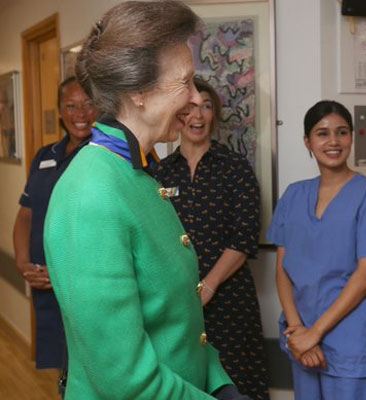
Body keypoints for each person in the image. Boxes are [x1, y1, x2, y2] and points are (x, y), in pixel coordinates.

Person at [43, 2, 249, 399]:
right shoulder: (91, 192)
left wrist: (219, 383)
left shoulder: (137, 171)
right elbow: (125, 381)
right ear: (138, 92)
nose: (194, 99)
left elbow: (175, 323)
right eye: (185, 82)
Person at [267, 100, 366, 399]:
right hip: (302, 341)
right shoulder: (294, 195)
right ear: (308, 142)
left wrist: (316, 333)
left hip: (353, 340)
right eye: (322, 133)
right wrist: (299, 330)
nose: (333, 141)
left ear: (352, 137)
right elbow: (282, 271)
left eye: (341, 132)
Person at [153, 77, 270, 400]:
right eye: (190, 108)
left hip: (229, 300)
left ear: (215, 115)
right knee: (184, 385)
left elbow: (244, 238)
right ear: (178, 115)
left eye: (206, 107)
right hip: (176, 303)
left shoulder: (234, 168)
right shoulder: (161, 174)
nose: (198, 116)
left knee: (237, 385)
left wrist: (209, 286)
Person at [12, 77, 96, 376]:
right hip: (45, 286)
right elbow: (25, 216)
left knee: (92, 371)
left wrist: (63, 272)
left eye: (88, 104)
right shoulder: (45, 157)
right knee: (64, 372)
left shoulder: (105, 158)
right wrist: (22, 264)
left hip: (85, 288)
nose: (80, 114)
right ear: (60, 112)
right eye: (71, 106)